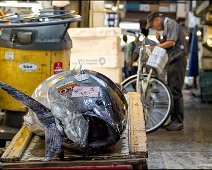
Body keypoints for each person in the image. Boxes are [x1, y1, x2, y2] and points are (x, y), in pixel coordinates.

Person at [144, 12, 187, 131]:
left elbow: (172, 42)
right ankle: (173, 120)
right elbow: (168, 44)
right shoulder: (167, 27)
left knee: (176, 91)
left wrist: (156, 46)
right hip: (172, 61)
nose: (154, 28)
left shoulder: (171, 23)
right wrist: (160, 40)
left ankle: (178, 121)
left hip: (178, 60)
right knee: (171, 90)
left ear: (158, 19)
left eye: (153, 25)